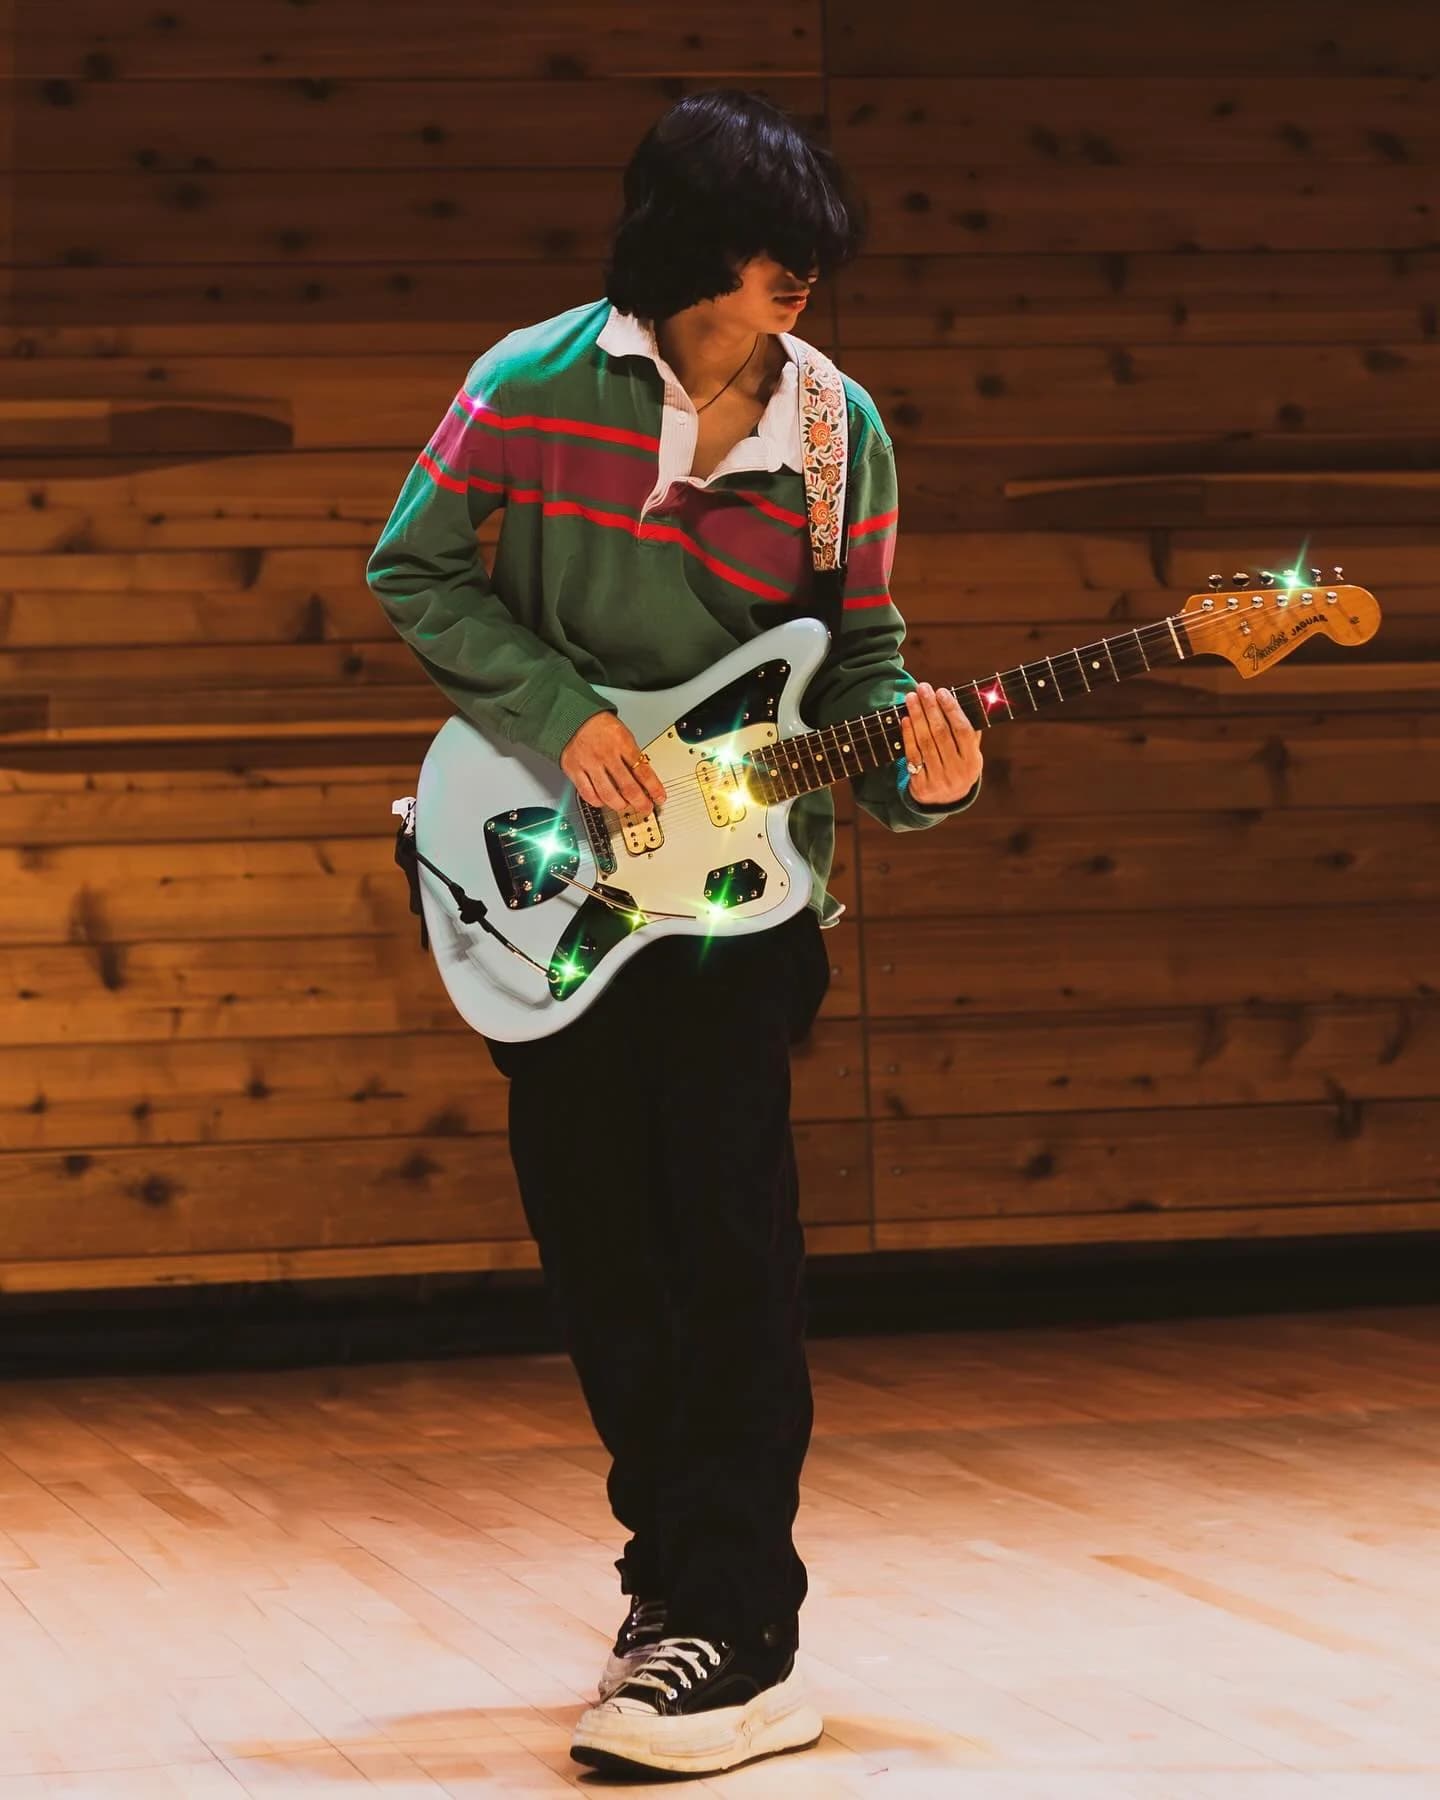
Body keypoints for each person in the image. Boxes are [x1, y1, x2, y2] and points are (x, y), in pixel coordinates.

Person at [366, 88, 983, 1778]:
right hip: (558, 876)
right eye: (772, 250)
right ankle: (674, 1584)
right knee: (602, 1250)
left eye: (810, 257)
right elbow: (412, 570)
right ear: (685, 244)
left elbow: (862, 664)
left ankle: (745, 1623)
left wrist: (926, 777)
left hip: (741, 897)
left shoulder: (841, 428)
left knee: (729, 1242)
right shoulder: (525, 384)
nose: (801, 281)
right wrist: (559, 709)